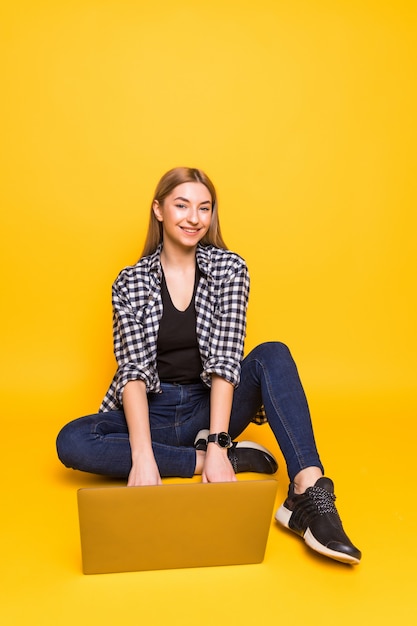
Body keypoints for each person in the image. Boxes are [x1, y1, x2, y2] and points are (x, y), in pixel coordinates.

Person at [56, 167, 361, 565]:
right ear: (159, 210)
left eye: (204, 208)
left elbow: (225, 359)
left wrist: (217, 437)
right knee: (73, 440)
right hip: (154, 410)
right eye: (181, 205)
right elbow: (132, 370)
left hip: (211, 407)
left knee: (273, 352)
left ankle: (308, 493)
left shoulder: (230, 270)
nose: (194, 218)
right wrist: (144, 455)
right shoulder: (130, 281)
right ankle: (206, 459)